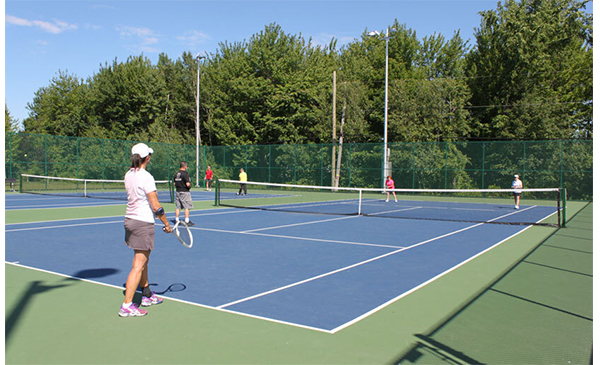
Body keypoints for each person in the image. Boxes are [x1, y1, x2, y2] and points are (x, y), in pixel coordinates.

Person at [120, 143, 172, 317]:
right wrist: (166, 223)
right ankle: (127, 305)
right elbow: (156, 206)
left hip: (130, 220)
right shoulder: (147, 177)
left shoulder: (128, 175)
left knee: (143, 262)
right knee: (138, 265)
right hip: (142, 223)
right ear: (147, 157)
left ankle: (147, 294)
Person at [173, 162, 194, 226]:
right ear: (184, 166)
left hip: (178, 191)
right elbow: (188, 184)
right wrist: (189, 187)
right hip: (184, 192)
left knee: (177, 206)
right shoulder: (185, 174)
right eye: (186, 166)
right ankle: (187, 221)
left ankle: (177, 220)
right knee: (187, 206)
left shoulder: (176, 174)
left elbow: (174, 183)